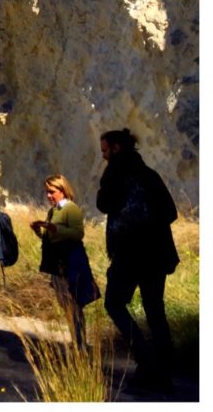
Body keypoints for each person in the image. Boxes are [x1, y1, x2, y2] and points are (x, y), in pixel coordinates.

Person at [96, 128, 178, 392]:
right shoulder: (150, 175)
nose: (104, 156)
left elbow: (103, 204)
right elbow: (170, 212)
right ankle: (163, 372)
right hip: (156, 255)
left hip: (130, 256)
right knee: (155, 310)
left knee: (114, 303)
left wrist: (135, 229)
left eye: (106, 151)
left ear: (117, 149)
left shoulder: (116, 174)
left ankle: (146, 359)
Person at [30, 174, 99, 350]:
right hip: (57, 261)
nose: (48, 196)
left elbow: (77, 234)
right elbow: (50, 238)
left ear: (62, 190)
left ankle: (80, 342)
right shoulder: (53, 211)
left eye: (52, 192)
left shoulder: (71, 209)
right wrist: (40, 231)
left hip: (71, 260)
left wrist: (54, 228)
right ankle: (78, 340)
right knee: (66, 303)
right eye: (47, 192)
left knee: (74, 302)